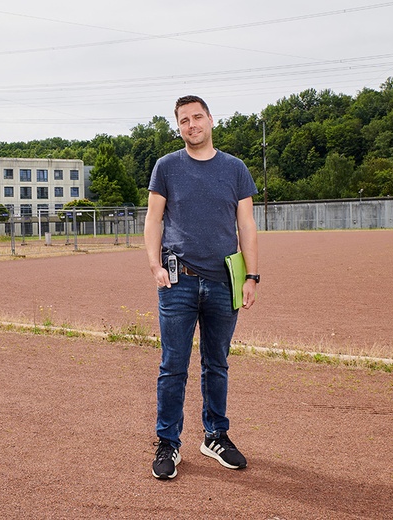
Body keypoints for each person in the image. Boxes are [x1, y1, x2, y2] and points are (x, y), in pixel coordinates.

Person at [144, 95, 259, 480]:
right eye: (184, 120)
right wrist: (155, 265)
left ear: (210, 119)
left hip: (224, 281)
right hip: (177, 281)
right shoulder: (166, 167)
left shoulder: (235, 169)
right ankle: (168, 442)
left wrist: (252, 276)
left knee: (217, 364)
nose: (191, 125)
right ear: (178, 127)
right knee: (172, 366)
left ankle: (215, 436)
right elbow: (153, 219)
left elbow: (246, 225)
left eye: (197, 117)